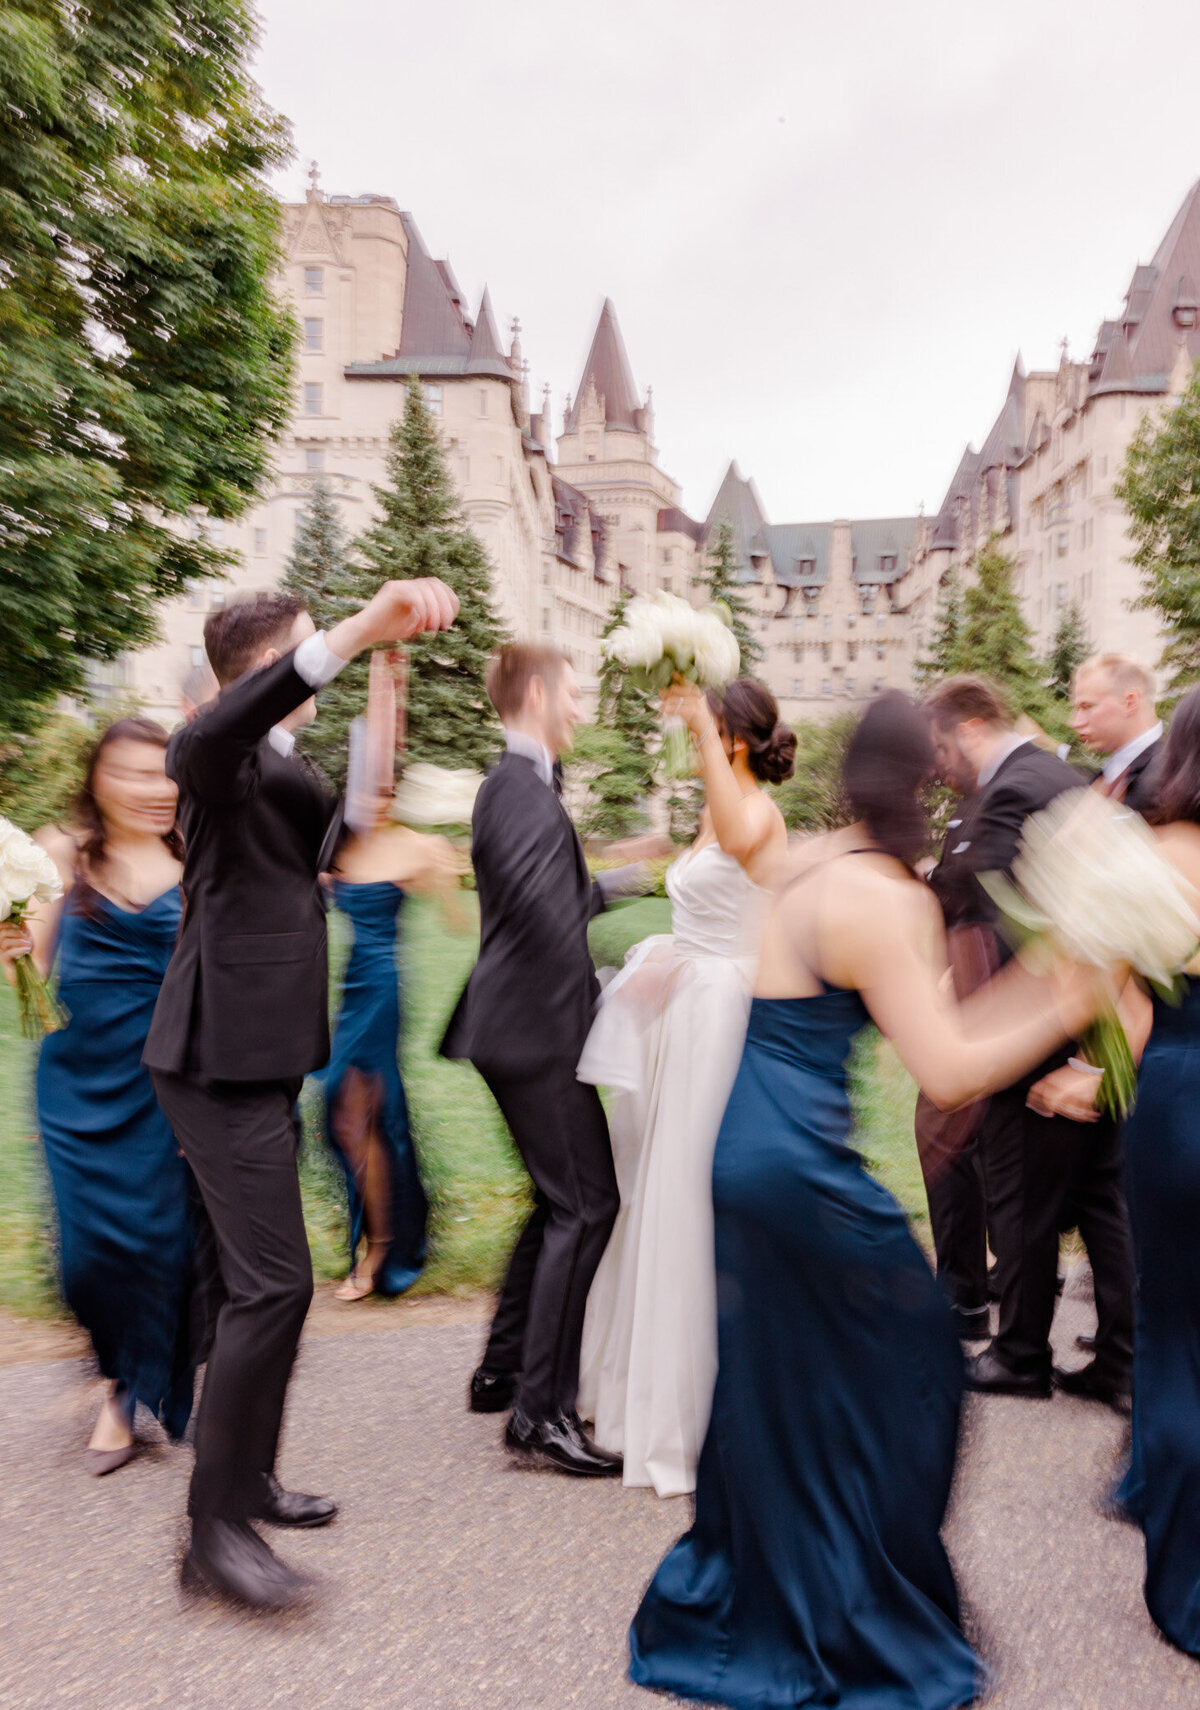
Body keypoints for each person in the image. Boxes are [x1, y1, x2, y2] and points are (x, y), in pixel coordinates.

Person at [629, 693, 1098, 1710]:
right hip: (799, 1170)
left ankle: (762, 1600)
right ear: (927, 783)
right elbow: (949, 1068)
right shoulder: (886, 895)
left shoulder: (805, 859)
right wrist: (1071, 994)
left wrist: (1053, 978)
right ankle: (855, 1617)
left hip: (741, 1154)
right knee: (918, 1361)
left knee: (784, 1392)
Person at [144, 577, 459, 1611]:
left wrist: (387, 681)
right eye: (308, 647)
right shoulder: (215, 755)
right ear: (267, 666)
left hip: (263, 1054)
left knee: (264, 1290)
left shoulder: (281, 766)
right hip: (211, 1056)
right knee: (272, 1285)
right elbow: (210, 741)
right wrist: (357, 630)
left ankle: (251, 1480)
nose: (324, 653)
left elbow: (344, 836)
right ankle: (211, 1538)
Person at [577, 678, 792, 1497]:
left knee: (692, 1192)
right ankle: (647, 1386)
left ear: (731, 738)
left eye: (708, 730)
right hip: (688, 1005)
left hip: (722, 1015)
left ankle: (703, 1408)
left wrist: (702, 728)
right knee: (658, 1189)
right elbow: (701, 890)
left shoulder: (756, 812)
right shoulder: (716, 811)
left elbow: (738, 842)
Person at [442, 643, 646, 1477]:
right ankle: (539, 1414)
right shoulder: (518, 787)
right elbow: (536, 916)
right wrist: (604, 995)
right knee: (587, 1206)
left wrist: (616, 881)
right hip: (537, 1031)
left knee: (558, 1199)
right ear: (535, 692)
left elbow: (545, 894)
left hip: (517, 1026)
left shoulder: (523, 786)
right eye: (571, 691)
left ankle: (502, 1368)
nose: (581, 705)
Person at [924, 676, 1135, 1408]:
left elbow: (1011, 916)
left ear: (972, 726)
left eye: (941, 747)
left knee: (1020, 1200)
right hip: (1085, 1024)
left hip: (1042, 1026)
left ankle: (1020, 1354)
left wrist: (1011, 1029)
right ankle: (1123, 1358)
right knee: (1097, 1194)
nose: (939, 765)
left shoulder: (1020, 786)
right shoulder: (1054, 776)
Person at [0, 719, 194, 1473]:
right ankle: (120, 1366)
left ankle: (125, 1392)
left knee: (159, 1244)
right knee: (87, 1258)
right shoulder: (61, 851)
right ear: (98, 779)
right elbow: (32, 968)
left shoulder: (201, 856)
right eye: (133, 773)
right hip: (78, 1083)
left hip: (168, 1079)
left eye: (164, 773)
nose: (154, 788)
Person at [1117, 687, 1200, 1655]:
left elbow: (1125, 1011)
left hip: (1176, 1096)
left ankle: (1185, 1582)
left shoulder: (1153, 860)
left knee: (1173, 1331)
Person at [324, 796, 464, 1302]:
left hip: (384, 990)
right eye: (365, 792)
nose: (373, 802)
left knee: (360, 1118)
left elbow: (457, 920)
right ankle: (384, 1237)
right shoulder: (340, 848)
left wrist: (441, 868)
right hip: (350, 990)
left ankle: (382, 1250)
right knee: (342, 1119)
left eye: (384, 793)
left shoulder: (413, 846)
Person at [1070, 652, 1163, 812]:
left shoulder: (1177, 776)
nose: (1075, 723)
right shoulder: (1104, 778)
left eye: (1087, 707)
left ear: (1130, 702)